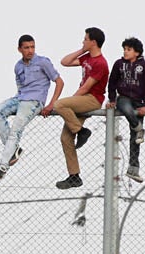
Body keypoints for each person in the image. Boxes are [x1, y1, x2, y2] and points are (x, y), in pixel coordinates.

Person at [0, 35, 63, 180]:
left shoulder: (43, 62)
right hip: (20, 98)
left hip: (34, 101)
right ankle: (14, 149)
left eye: (32, 47)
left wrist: (51, 104)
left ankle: (3, 167)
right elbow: (20, 87)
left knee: (16, 129)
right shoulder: (18, 66)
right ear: (20, 49)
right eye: (26, 47)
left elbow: (59, 82)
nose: (30, 50)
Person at [53, 27, 109, 190]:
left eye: (85, 39)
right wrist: (82, 50)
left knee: (60, 104)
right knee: (65, 138)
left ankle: (82, 131)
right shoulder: (87, 58)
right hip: (83, 98)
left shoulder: (101, 63)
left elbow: (86, 87)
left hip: (92, 100)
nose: (83, 41)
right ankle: (74, 176)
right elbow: (65, 62)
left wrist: (73, 100)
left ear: (93, 42)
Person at [107, 37, 145, 183]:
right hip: (124, 97)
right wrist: (112, 99)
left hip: (138, 101)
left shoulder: (144, 65)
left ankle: (133, 169)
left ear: (137, 52)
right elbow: (112, 82)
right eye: (124, 49)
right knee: (126, 108)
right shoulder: (119, 64)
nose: (125, 52)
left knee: (136, 139)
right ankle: (139, 127)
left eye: (129, 49)